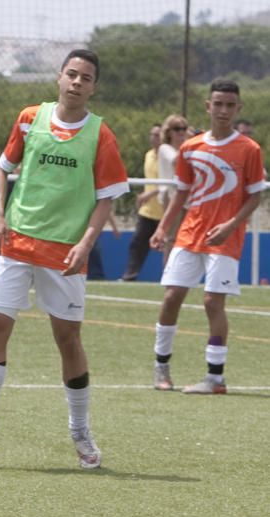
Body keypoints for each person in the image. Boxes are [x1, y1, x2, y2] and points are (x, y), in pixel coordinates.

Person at [0, 49, 128, 469]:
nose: (77, 82)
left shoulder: (101, 135)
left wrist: (85, 244)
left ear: (94, 87)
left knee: (67, 339)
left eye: (86, 78)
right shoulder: (30, 118)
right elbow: (0, 170)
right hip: (16, 243)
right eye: (71, 74)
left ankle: (81, 432)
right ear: (59, 78)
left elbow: (107, 198)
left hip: (65, 253)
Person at [149, 80, 264, 394]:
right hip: (189, 233)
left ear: (238, 108)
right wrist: (163, 228)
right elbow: (181, 193)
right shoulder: (190, 147)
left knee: (213, 302)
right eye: (218, 104)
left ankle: (215, 378)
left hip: (225, 238)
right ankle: (161, 368)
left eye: (230, 105)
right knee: (172, 296)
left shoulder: (249, 149)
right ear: (207, 106)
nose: (224, 110)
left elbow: (255, 196)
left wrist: (230, 225)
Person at [121, 124, 164, 281]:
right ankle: (130, 275)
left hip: (165, 211)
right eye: (152, 134)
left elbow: (171, 181)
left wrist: (150, 193)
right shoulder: (148, 155)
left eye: (158, 135)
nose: (154, 138)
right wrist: (144, 195)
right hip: (147, 211)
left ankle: (170, 278)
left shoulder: (169, 156)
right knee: (137, 244)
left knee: (168, 247)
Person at [157, 114, 189, 265]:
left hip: (187, 197)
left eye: (184, 129)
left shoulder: (186, 147)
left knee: (185, 238)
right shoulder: (165, 148)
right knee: (171, 238)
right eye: (177, 129)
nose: (181, 132)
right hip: (170, 197)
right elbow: (177, 161)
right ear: (168, 131)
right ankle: (168, 272)